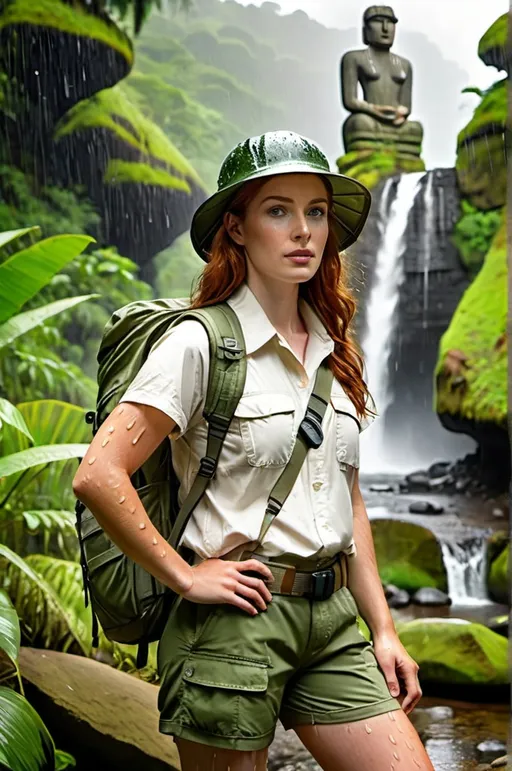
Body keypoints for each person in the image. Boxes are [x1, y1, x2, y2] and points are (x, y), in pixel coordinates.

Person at [73, 131, 434, 771]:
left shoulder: (332, 347)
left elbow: (347, 499)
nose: (303, 231)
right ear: (236, 229)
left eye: (315, 212)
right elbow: (100, 473)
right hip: (233, 625)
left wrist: (382, 629)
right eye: (279, 210)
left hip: (332, 622)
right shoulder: (200, 343)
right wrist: (185, 576)